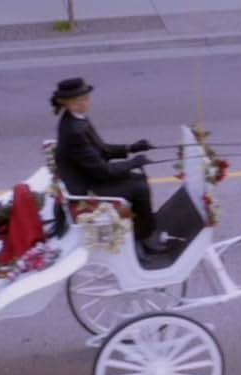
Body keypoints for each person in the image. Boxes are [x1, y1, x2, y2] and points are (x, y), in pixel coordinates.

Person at [50, 77, 168, 259]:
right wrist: (134, 162)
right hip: (86, 186)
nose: (87, 102)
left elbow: (101, 149)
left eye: (86, 98)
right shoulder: (74, 130)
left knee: (137, 178)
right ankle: (143, 237)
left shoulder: (77, 120)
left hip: (87, 175)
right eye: (82, 100)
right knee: (139, 187)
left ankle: (142, 228)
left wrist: (131, 148)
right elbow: (102, 171)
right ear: (71, 104)